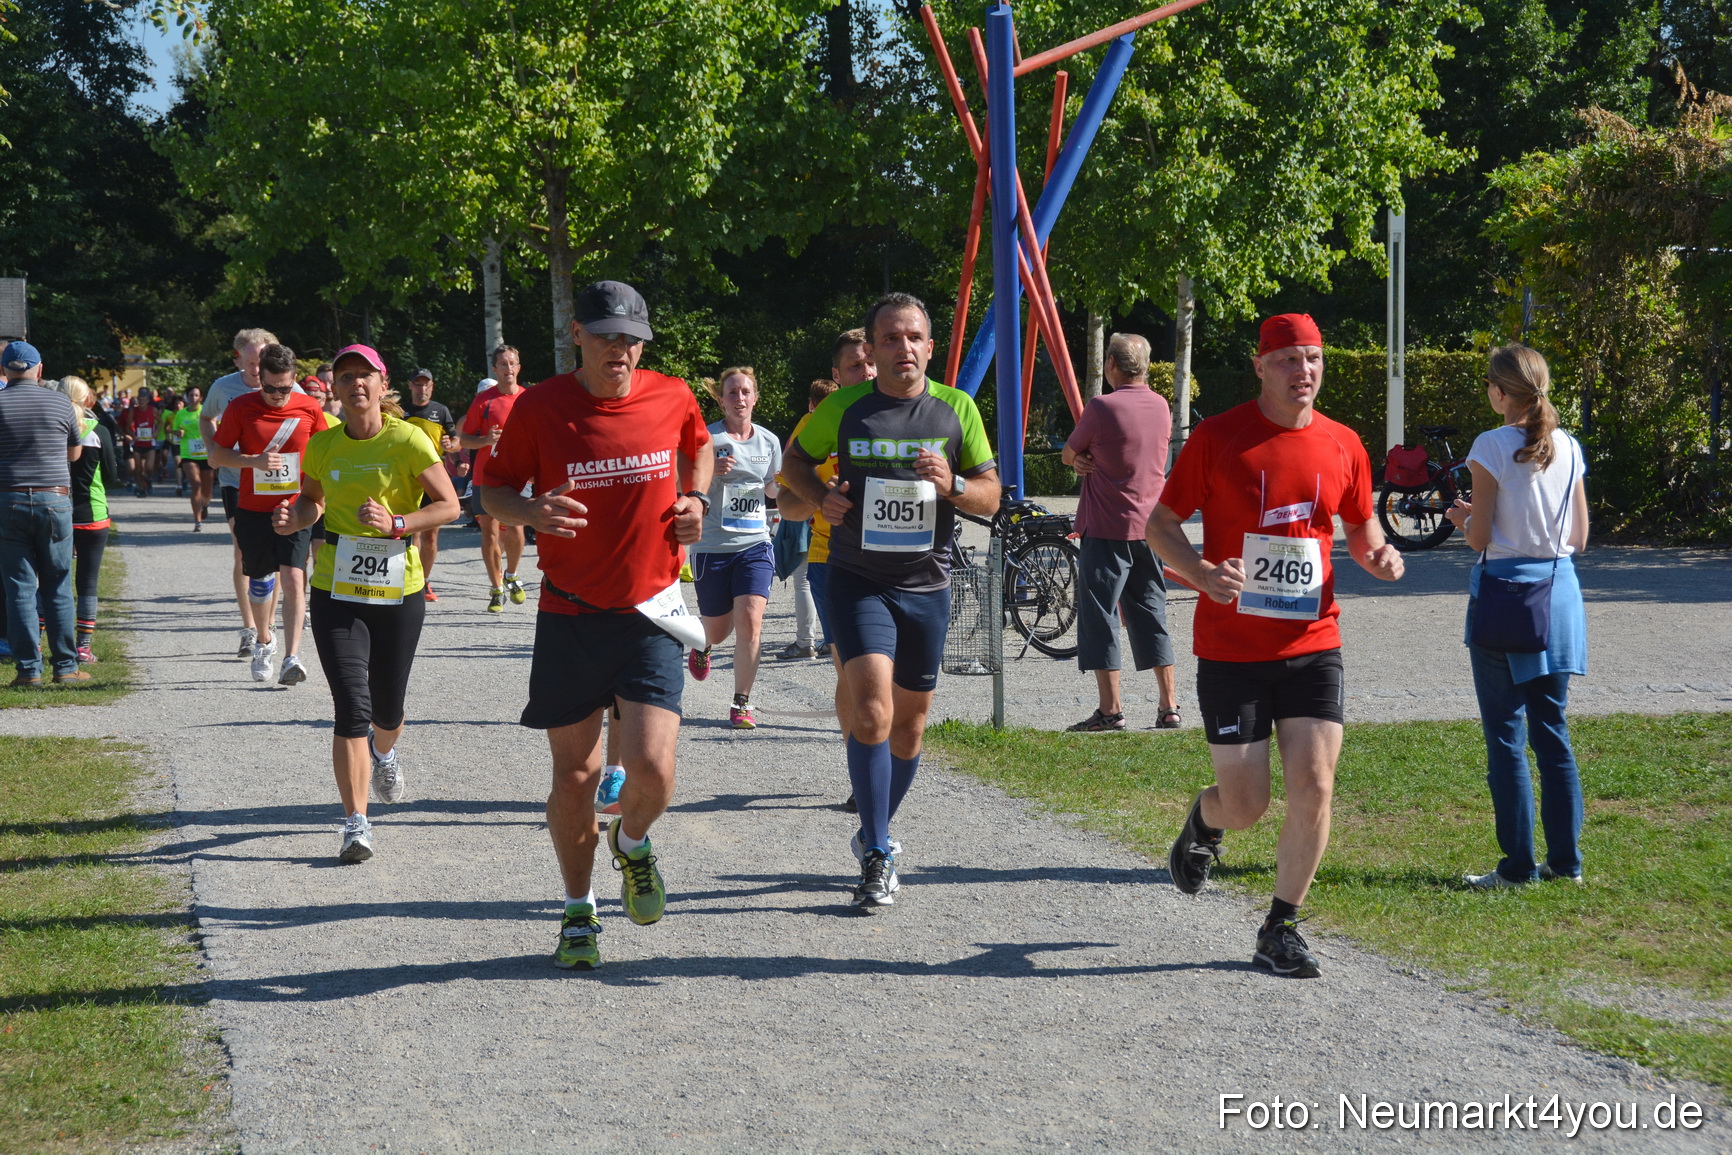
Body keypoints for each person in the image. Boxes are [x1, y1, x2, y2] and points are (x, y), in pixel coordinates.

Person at [1147, 313, 1405, 979]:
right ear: (1261, 366)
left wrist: (1377, 554)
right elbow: (1161, 523)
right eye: (1289, 359)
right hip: (1232, 650)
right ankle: (1205, 820)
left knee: (1316, 784)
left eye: (1313, 358)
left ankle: (1279, 925)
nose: (1304, 371)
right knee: (1248, 805)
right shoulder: (1218, 437)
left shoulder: (1345, 443)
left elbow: (1359, 523)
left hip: (1314, 641)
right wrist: (1202, 573)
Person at [481, 279, 711, 970]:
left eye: (632, 335)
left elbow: (697, 445)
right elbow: (492, 488)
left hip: (650, 613)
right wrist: (528, 514)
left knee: (653, 768)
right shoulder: (541, 407)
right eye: (608, 333)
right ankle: (578, 910)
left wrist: (696, 496)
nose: (622, 347)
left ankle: (633, 843)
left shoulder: (672, 394)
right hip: (570, 613)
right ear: (577, 333)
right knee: (576, 776)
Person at [781, 293, 1001, 909]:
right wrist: (820, 494)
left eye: (914, 338)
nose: (903, 348)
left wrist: (953, 483)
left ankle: (873, 825)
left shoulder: (957, 409)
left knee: (910, 726)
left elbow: (990, 495)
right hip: (857, 577)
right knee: (872, 711)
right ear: (872, 351)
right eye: (890, 338)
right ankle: (878, 850)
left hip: (927, 584)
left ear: (930, 347)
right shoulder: (844, 407)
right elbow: (794, 462)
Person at [272, 344, 459, 862]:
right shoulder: (324, 445)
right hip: (337, 588)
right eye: (347, 376)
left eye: (366, 376)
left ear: (383, 384)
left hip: (400, 587)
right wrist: (295, 517)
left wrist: (398, 523)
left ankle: (385, 751)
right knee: (351, 704)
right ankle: (356, 823)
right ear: (335, 387)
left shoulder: (411, 440)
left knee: (388, 705)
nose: (356, 384)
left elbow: (449, 505)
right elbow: (312, 501)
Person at [1444, 345, 1589, 888]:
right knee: (1553, 732)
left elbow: (1480, 537)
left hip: (1506, 595)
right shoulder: (1570, 447)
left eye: (1489, 384)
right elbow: (1578, 537)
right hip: (1559, 595)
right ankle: (1566, 863)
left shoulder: (1491, 445)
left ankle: (1517, 866)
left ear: (1501, 392)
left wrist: (1461, 519)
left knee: (1505, 734)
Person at [1062, 332, 1181, 732]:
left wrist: (1081, 459)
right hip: (1152, 529)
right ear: (1145, 366)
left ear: (1111, 364)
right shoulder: (1162, 406)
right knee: (1151, 610)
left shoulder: (1101, 407)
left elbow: (1068, 452)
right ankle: (1169, 707)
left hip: (1106, 527)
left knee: (1101, 616)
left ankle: (1110, 711)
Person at [209, 343, 326, 686]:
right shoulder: (242, 407)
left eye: (284, 388)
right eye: (270, 388)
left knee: (293, 578)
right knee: (261, 582)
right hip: (253, 507)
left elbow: (324, 451)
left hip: (295, 506)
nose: (277, 395)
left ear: (293, 381)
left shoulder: (308, 407)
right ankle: (264, 640)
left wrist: (322, 494)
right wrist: (251, 461)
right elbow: (217, 454)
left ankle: (292, 657)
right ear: (259, 378)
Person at [687, 366, 781, 729]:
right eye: (732, 393)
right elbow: (685, 484)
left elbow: (773, 493)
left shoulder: (769, 442)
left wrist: (779, 483)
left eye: (745, 392)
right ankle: (703, 643)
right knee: (718, 628)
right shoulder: (707, 439)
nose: (739, 398)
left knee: (750, 620)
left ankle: (741, 702)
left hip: (755, 543)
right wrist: (711, 472)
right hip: (712, 545)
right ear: (721, 400)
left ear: (755, 397)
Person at [0, 341, 89, 686]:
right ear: (39, 369)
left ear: (6, 371)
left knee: (19, 587)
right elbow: (74, 454)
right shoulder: (60, 402)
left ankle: (28, 671)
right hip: (54, 500)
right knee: (57, 585)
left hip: (7, 500)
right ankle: (65, 667)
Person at [202, 328, 285, 659]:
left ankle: (270, 621)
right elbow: (206, 417)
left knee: (276, 550)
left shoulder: (284, 385)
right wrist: (214, 448)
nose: (256, 369)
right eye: (251, 362)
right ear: (239, 358)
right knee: (243, 552)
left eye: (262, 361)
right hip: (236, 479)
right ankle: (250, 626)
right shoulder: (224, 387)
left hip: (277, 481)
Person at [460, 346, 528, 612]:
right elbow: (464, 439)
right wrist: (486, 440)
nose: (508, 368)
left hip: (518, 477)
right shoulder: (484, 401)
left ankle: (511, 573)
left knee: (517, 528)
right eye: (503, 364)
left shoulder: (529, 398)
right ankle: (497, 587)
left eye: (512, 363)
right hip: (485, 478)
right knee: (489, 534)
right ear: (495, 369)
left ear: (518, 367)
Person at [60, 377, 118, 663]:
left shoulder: (52, 429)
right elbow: (112, 476)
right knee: (87, 583)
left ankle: (36, 643)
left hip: (57, 511)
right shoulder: (99, 431)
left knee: (51, 579)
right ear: (87, 400)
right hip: (93, 514)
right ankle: (83, 647)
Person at [400, 367, 458, 602]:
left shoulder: (440, 411)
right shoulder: (400, 411)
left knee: (431, 537)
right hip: (406, 478)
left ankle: (423, 582)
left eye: (426, 384)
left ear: (432, 386)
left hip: (433, 479)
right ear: (410, 386)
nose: (422, 388)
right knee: (410, 532)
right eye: (417, 384)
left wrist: (450, 444)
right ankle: (408, 582)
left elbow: (456, 441)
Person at [171, 385, 213, 530]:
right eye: (190, 395)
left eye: (196, 395)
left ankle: (205, 504)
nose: (193, 398)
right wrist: (178, 433)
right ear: (187, 397)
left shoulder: (206, 411)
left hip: (206, 454)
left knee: (207, 489)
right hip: (188, 454)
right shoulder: (180, 414)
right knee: (196, 484)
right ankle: (197, 521)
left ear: (200, 398)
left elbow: (217, 427)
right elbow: (175, 429)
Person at [124, 387, 160, 497]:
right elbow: (127, 427)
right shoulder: (133, 411)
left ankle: (148, 479)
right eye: (140, 400)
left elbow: (161, 422)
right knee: (138, 468)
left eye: (144, 400)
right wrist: (133, 435)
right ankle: (141, 488)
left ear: (148, 400)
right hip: (138, 443)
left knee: (149, 467)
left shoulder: (152, 410)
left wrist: (156, 433)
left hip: (149, 443)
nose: (141, 402)